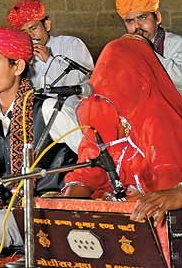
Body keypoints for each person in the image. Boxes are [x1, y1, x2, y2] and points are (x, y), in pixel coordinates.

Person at [0, 25, 81, 246]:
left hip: (46, 218)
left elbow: (93, 158)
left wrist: (69, 194)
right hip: (0, 213)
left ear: (18, 66)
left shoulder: (50, 110)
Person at [63, 37, 182, 217]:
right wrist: (65, 205)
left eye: (118, 76)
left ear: (140, 77)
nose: (110, 84)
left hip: (149, 221)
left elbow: (165, 187)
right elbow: (89, 171)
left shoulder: (159, 118)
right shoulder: (103, 113)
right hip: (116, 217)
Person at [7, 0, 94, 94]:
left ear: (47, 25)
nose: (30, 36)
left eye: (33, 28)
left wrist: (49, 60)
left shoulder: (71, 44)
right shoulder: (20, 56)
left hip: (70, 106)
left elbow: (86, 81)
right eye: (24, 33)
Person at [115, 0, 182, 94]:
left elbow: (179, 81)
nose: (137, 26)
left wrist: (147, 51)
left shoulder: (177, 44)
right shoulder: (124, 49)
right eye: (130, 21)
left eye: (142, 17)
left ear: (158, 18)